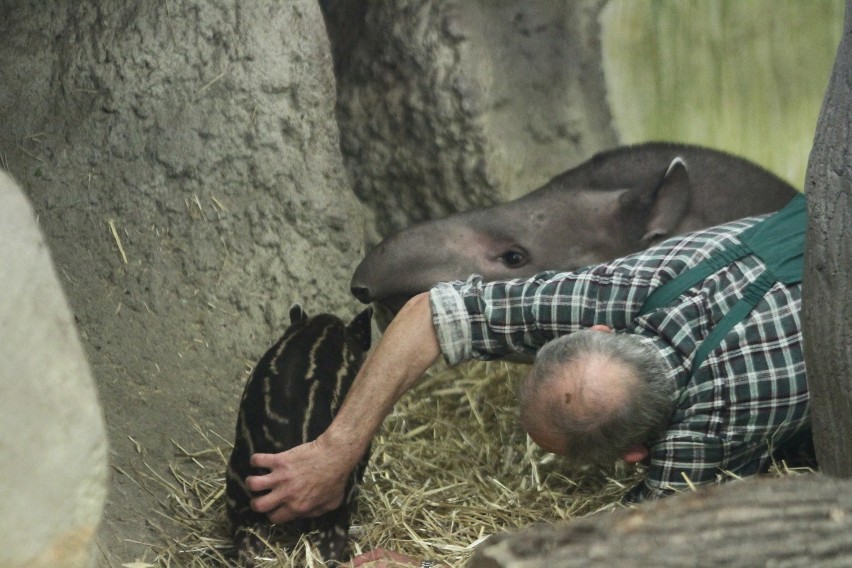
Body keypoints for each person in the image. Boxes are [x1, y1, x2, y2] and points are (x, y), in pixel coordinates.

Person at [246, 195, 810, 559]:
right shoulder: (637, 281)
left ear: (638, 455)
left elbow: (630, 549)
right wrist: (336, 450)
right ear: (597, 330)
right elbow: (430, 312)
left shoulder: (705, 436)